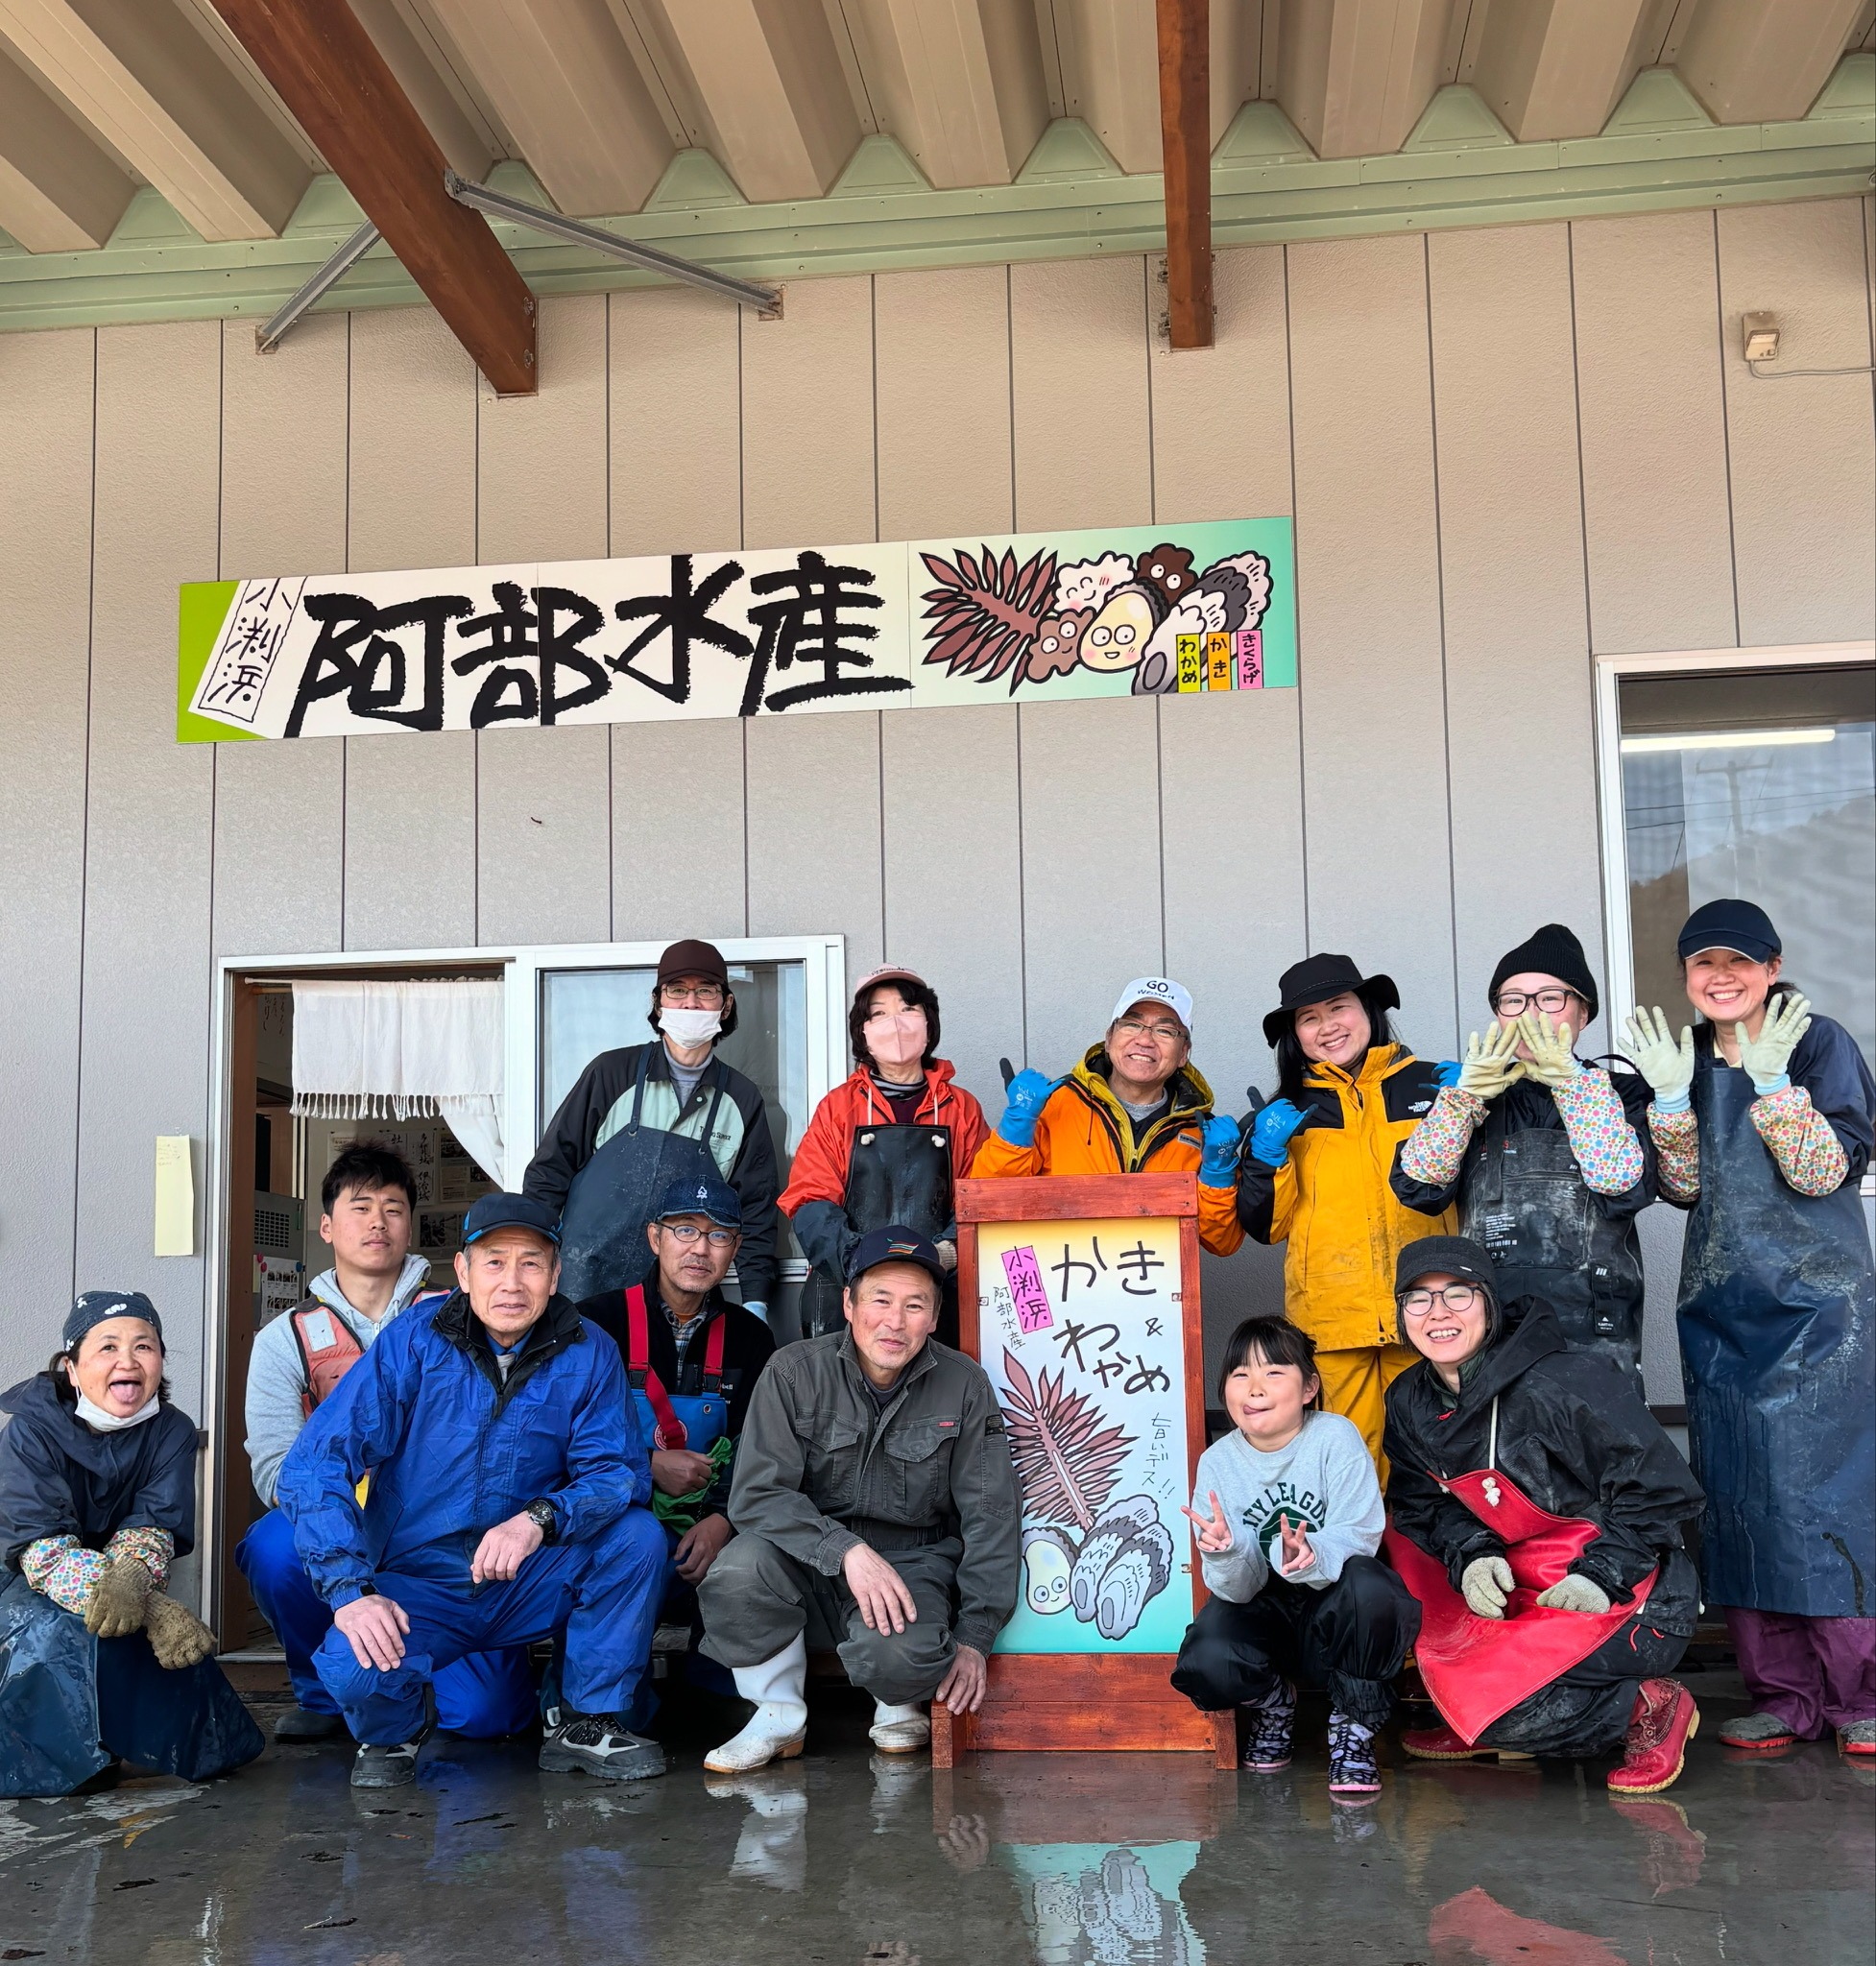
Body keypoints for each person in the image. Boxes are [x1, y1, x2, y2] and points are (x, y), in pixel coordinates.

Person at [277, 1191, 669, 1788]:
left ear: (555, 1275)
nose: (511, 1282)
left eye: (531, 1264)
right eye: (493, 1262)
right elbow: (316, 1463)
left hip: (525, 1576)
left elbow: (617, 1472)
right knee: (356, 1665)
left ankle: (585, 1720)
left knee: (637, 1537)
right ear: (462, 1271)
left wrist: (540, 1518)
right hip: (420, 1580)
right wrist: (351, 1591)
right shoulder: (414, 1340)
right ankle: (394, 1732)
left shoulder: (590, 1349)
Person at [1623, 898, 1875, 1758]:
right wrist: (1667, 1100)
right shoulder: (1687, 1055)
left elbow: (1823, 1172)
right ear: (1686, 976)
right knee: (1741, 1495)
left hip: (1821, 1309)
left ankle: (1858, 1697)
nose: (1721, 977)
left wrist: (1773, 1086)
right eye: (1705, 963)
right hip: (1723, 1308)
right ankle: (1782, 1696)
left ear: (1773, 968)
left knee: (1829, 1495)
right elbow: (1685, 1188)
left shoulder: (1819, 1043)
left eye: (1739, 961)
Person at [1382, 1236, 1703, 1795]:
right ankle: (1479, 1714)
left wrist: (1600, 1576)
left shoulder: (1564, 1381)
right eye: (1419, 1299)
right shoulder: (1409, 1400)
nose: (1438, 1313)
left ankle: (1647, 1707)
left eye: (1457, 1294)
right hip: (1519, 1584)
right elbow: (1421, 1505)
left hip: (1628, 1591)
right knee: (1406, 1566)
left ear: (1489, 1303)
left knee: (1510, 1707)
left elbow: (1661, 1490)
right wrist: (1473, 1555)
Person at [237, 1141, 534, 1743]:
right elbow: (275, 1469)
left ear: (411, 1227)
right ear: (326, 1226)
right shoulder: (285, 1338)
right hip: (337, 1519)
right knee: (274, 1547)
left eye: (394, 1209)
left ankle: (415, 1683)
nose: (378, 1222)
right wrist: (354, 1506)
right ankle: (325, 1692)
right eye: (361, 1207)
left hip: (445, 1531)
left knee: (488, 1717)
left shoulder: (465, 1316)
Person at [697, 1227, 1021, 1772]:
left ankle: (895, 1699)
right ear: (848, 1304)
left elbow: (991, 1514)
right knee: (737, 1573)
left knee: (907, 1660)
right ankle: (777, 1711)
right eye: (880, 1300)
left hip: (913, 1564)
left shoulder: (964, 1384)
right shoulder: (792, 1371)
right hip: (804, 1557)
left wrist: (976, 1636)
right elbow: (756, 1495)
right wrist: (844, 1550)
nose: (895, 1322)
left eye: (915, 1305)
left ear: (934, 1318)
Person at [0, 1293, 264, 1796]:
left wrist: (134, 1582)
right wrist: (151, 1607)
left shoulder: (171, 1430)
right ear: (72, 1368)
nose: (128, 1361)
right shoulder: (30, 1429)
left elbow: (154, 1524)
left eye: (144, 1346)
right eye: (108, 1347)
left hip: (124, 1573)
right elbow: (41, 1548)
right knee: (64, 1633)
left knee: (165, 1651)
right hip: (24, 1577)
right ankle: (69, 1762)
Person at [1392, 924, 1657, 1386]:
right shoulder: (1478, 1095)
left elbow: (1624, 1190)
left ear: (1583, 1013)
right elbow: (1419, 1189)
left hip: (1597, 1322)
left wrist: (1575, 1087)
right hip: (1489, 1324)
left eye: (1550, 998)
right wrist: (1463, 1100)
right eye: (1513, 1001)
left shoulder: (1623, 1093)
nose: (1531, 1015)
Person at [1171, 1316, 1418, 1798]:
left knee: (1373, 1588)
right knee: (1206, 1659)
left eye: (1273, 1372)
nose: (1255, 1388)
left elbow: (1362, 1533)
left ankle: (1352, 1728)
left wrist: (1311, 1551)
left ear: (1309, 1388)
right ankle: (1274, 1704)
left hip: (1334, 1611)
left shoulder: (1335, 1437)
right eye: (1240, 1374)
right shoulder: (1218, 1461)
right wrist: (1228, 1550)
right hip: (1266, 1611)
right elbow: (1233, 1591)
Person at [1236, 953, 1454, 1469]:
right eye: (1309, 1018)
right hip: (1331, 1321)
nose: (1328, 1026)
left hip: (1430, 1309)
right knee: (1346, 1464)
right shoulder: (1286, 1111)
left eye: (1339, 1008)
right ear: (1295, 1035)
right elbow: (1266, 1227)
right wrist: (1265, 1156)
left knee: (1436, 1459)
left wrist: (1474, 1105)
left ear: (1369, 1010)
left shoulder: (1434, 1088)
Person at [524, 938, 781, 1317]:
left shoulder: (741, 1099)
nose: (691, 1003)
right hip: (583, 1288)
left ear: (725, 1005)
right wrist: (532, 1261)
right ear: (658, 1002)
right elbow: (550, 1172)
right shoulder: (611, 1074)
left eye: (705, 991)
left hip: (682, 1302)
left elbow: (755, 1207)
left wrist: (755, 1298)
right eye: (677, 991)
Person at [576, 1173, 776, 1654]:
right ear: (655, 1237)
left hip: (712, 1524)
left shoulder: (752, 1339)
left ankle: (714, 1687)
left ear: (735, 1248)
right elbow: (563, 1437)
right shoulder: (596, 1323)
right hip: (615, 1519)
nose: (700, 1249)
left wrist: (723, 1519)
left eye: (718, 1235)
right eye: (685, 1230)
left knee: (749, 1575)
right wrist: (645, 1465)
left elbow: (764, 1447)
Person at [782, 966, 989, 1344]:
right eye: (879, 1013)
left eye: (908, 1009)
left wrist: (945, 1252)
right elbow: (810, 1199)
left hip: (937, 1292)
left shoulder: (962, 1108)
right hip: (846, 1290)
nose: (895, 1024)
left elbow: (980, 1198)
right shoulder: (838, 1107)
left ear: (929, 1024)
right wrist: (860, 1262)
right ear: (862, 1032)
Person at [971, 976, 1243, 1256]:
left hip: (1151, 1279)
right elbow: (986, 1204)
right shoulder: (1053, 1106)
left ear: (1184, 1053)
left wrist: (1218, 1173)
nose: (1145, 1040)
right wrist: (1017, 1126)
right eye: (1132, 1024)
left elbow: (1222, 1243)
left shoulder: (1201, 1132)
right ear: (1109, 1038)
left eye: (1165, 1031)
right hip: (1063, 1275)